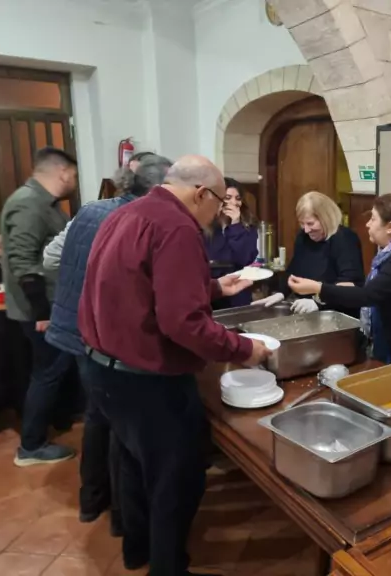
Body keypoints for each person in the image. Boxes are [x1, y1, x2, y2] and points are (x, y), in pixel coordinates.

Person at [78, 155, 271, 576]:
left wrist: (214, 286)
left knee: (133, 465)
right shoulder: (178, 227)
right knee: (176, 480)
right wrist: (244, 349)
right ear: (201, 194)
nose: (216, 215)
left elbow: (141, 286)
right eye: (218, 203)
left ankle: (137, 550)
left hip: (102, 369)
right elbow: (182, 323)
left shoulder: (125, 213)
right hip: (148, 380)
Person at [44, 155, 172, 534]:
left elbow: (51, 258)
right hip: (100, 331)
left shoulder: (90, 209)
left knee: (97, 414)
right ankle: (121, 515)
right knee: (117, 423)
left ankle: (91, 500)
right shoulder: (138, 220)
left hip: (72, 324)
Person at [0, 146, 78, 466]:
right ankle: (31, 447)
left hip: (50, 305)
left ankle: (59, 419)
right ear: (62, 172)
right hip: (43, 310)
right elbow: (23, 263)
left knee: (53, 370)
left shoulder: (43, 203)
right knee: (47, 372)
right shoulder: (29, 203)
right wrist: (42, 314)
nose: (74, 181)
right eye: (73, 174)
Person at [288, 193, 391, 363]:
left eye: (373, 219)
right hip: (389, 344)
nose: (367, 224)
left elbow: (367, 295)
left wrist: (318, 288)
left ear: (390, 227)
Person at [253, 191, 364, 316]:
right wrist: (281, 293)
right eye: (302, 223)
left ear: (326, 218)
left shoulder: (345, 239)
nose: (306, 230)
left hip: (338, 315)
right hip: (310, 314)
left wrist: (318, 302)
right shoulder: (303, 237)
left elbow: (350, 286)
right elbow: (294, 270)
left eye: (310, 223)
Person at [203, 178, 258, 309]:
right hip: (212, 293)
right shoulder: (204, 226)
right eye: (227, 197)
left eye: (238, 198)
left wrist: (236, 225)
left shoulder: (247, 227)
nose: (234, 202)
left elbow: (244, 259)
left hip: (238, 293)